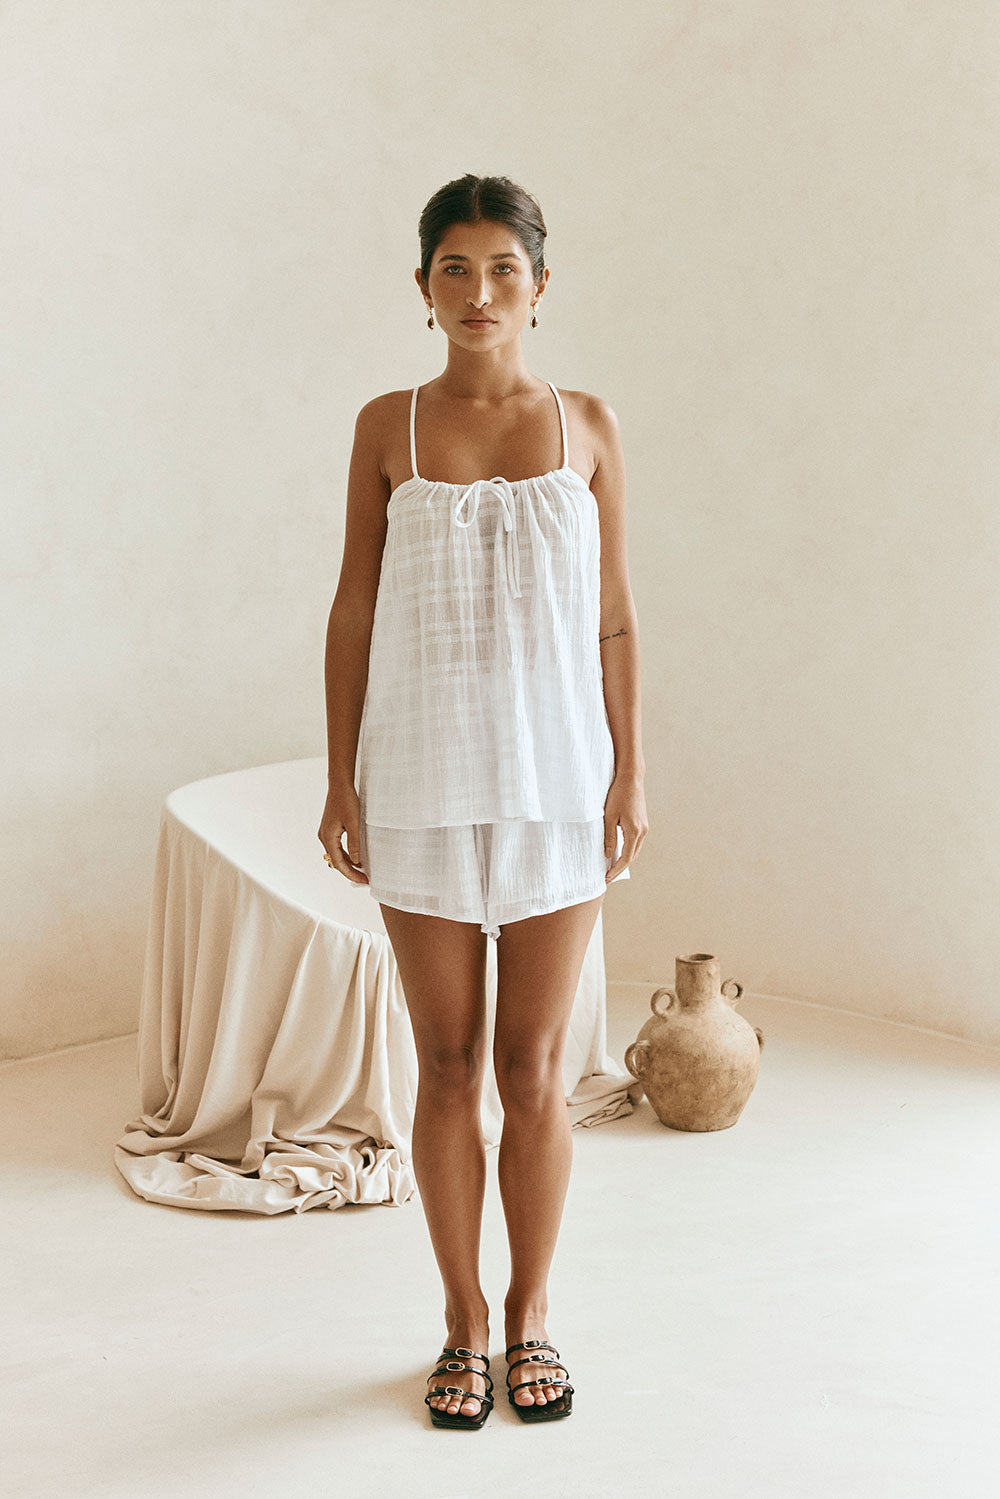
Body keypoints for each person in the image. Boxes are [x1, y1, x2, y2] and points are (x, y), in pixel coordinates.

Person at [318, 173, 647, 1428]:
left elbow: (614, 618)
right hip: (420, 782)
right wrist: (341, 775)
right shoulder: (386, 428)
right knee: (449, 1060)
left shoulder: (588, 426)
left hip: (559, 784)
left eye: (502, 267)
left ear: (539, 286)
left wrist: (628, 772)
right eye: (453, 268)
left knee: (535, 1068)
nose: (477, 291)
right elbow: (354, 609)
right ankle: (460, 1318)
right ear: (422, 288)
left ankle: (530, 1315)